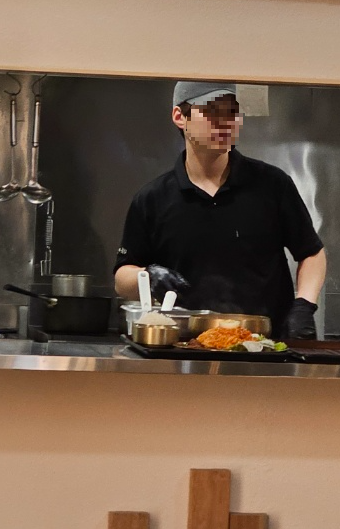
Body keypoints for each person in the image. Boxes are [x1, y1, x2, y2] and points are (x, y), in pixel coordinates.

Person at [114, 81, 326, 340]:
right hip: (184, 346)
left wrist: (304, 306)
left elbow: (312, 253)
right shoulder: (152, 198)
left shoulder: (272, 184)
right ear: (180, 117)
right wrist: (147, 277)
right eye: (212, 111)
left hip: (264, 346)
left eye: (232, 112)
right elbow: (122, 279)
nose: (226, 122)